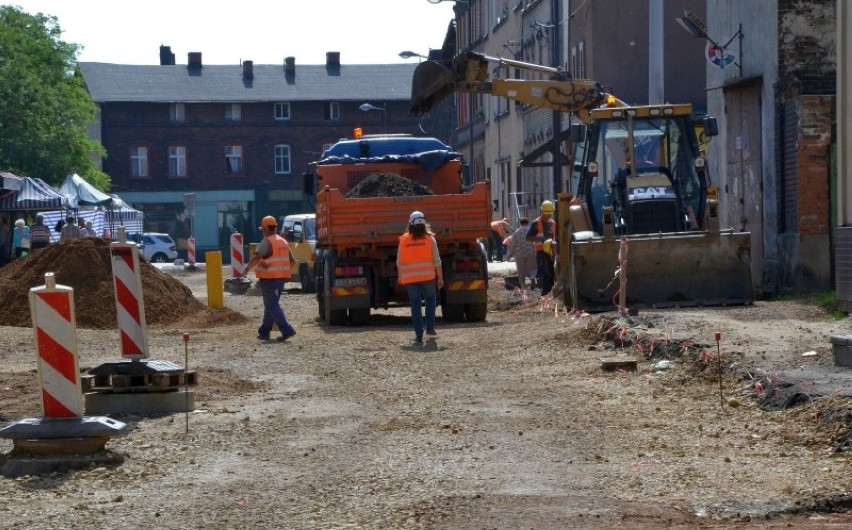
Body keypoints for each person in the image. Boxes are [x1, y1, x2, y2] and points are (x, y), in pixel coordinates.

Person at [242, 215, 297, 342]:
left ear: (265, 229)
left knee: (271, 305)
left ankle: (286, 329)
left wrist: (246, 269)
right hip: (280, 279)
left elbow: (257, 258)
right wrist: (282, 271)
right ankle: (264, 331)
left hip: (269, 280)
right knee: (270, 305)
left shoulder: (266, 242)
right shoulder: (283, 242)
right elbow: (292, 262)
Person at [397, 210, 443, 345]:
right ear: (424, 224)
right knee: (430, 300)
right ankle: (430, 327)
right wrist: (440, 278)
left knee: (415, 304)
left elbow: (399, 261)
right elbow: (437, 261)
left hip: (410, 279)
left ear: (410, 224)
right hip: (428, 277)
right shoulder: (430, 239)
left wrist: (400, 276)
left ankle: (418, 335)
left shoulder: (403, 240)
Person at [526, 200, 558, 296]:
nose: (549, 215)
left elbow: (555, 237)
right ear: (542, 212)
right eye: (547, 213)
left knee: (552, 274)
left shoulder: (553, 223)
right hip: (541, 252)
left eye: (550, 213)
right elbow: (528, 237)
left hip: (551, 252)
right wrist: (538, 238)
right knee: (545, 274)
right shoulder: (536, 223)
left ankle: (550, 295)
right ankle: (545, 295)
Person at [506, 217, 537, 290]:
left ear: (520, 223)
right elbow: (536, 241)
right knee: (532, 267)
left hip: (519, 254)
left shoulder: (517, 232)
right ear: (528, 223)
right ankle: (533, 278)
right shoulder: (531, 231)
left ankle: (523, 286)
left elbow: (512, 244)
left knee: (521, 270)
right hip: (531, 253)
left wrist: (509, 255)